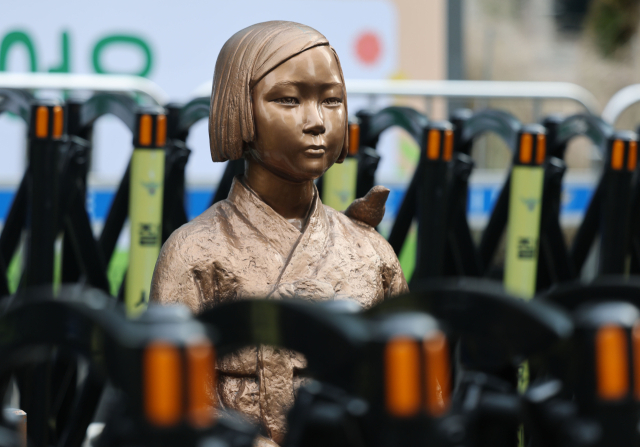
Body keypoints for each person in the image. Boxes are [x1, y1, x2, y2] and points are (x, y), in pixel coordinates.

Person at [150, 20, 408, 445]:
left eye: (331, 100)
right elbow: (174, 403)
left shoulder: (371, 251)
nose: (316, 121)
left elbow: (411, 395)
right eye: (288, 100)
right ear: (239, 108)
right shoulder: (194, 252)